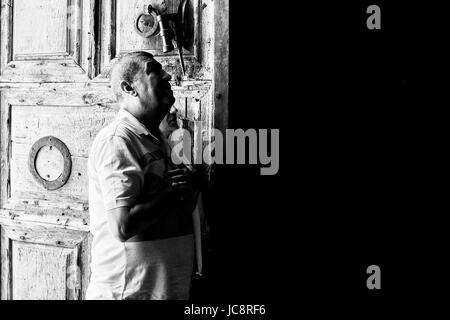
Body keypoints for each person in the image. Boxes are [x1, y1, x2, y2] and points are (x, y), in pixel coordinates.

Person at [86, 51, 199, 300]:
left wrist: (188, 189)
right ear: (130, 88)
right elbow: (123, 225)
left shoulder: (156, 141)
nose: (167, 75)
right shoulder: (119, 139)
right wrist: (171, 194)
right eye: (154, 70)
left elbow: (175, 209)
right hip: (128, 292)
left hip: (162, 289)